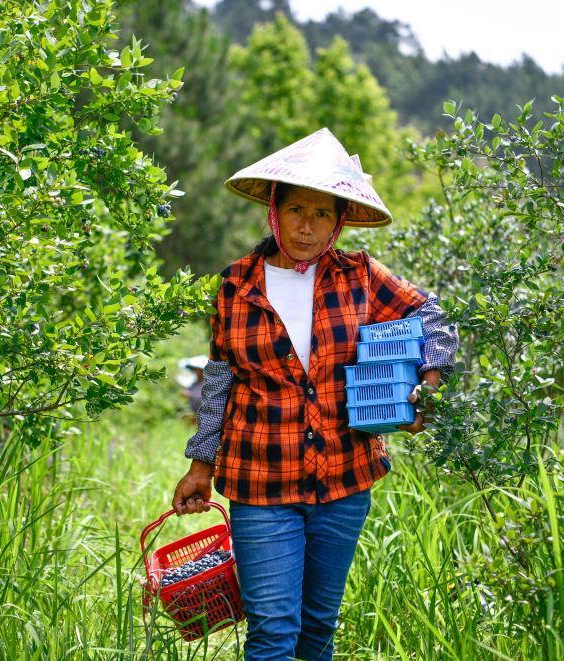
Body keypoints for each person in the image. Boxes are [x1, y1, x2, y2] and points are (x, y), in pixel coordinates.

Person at [170, 128, 459, 660]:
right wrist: (200, 465)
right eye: (297, 210)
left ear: (339, 220)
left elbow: (432, 315)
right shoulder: (237, 285)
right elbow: (219, 381)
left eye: (322, 213)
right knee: (273, 630)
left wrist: (428, 384)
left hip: (345, 481)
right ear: (274, 211)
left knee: (316, 628)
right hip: (260, 482)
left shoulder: (361, 276)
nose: (308, 226)